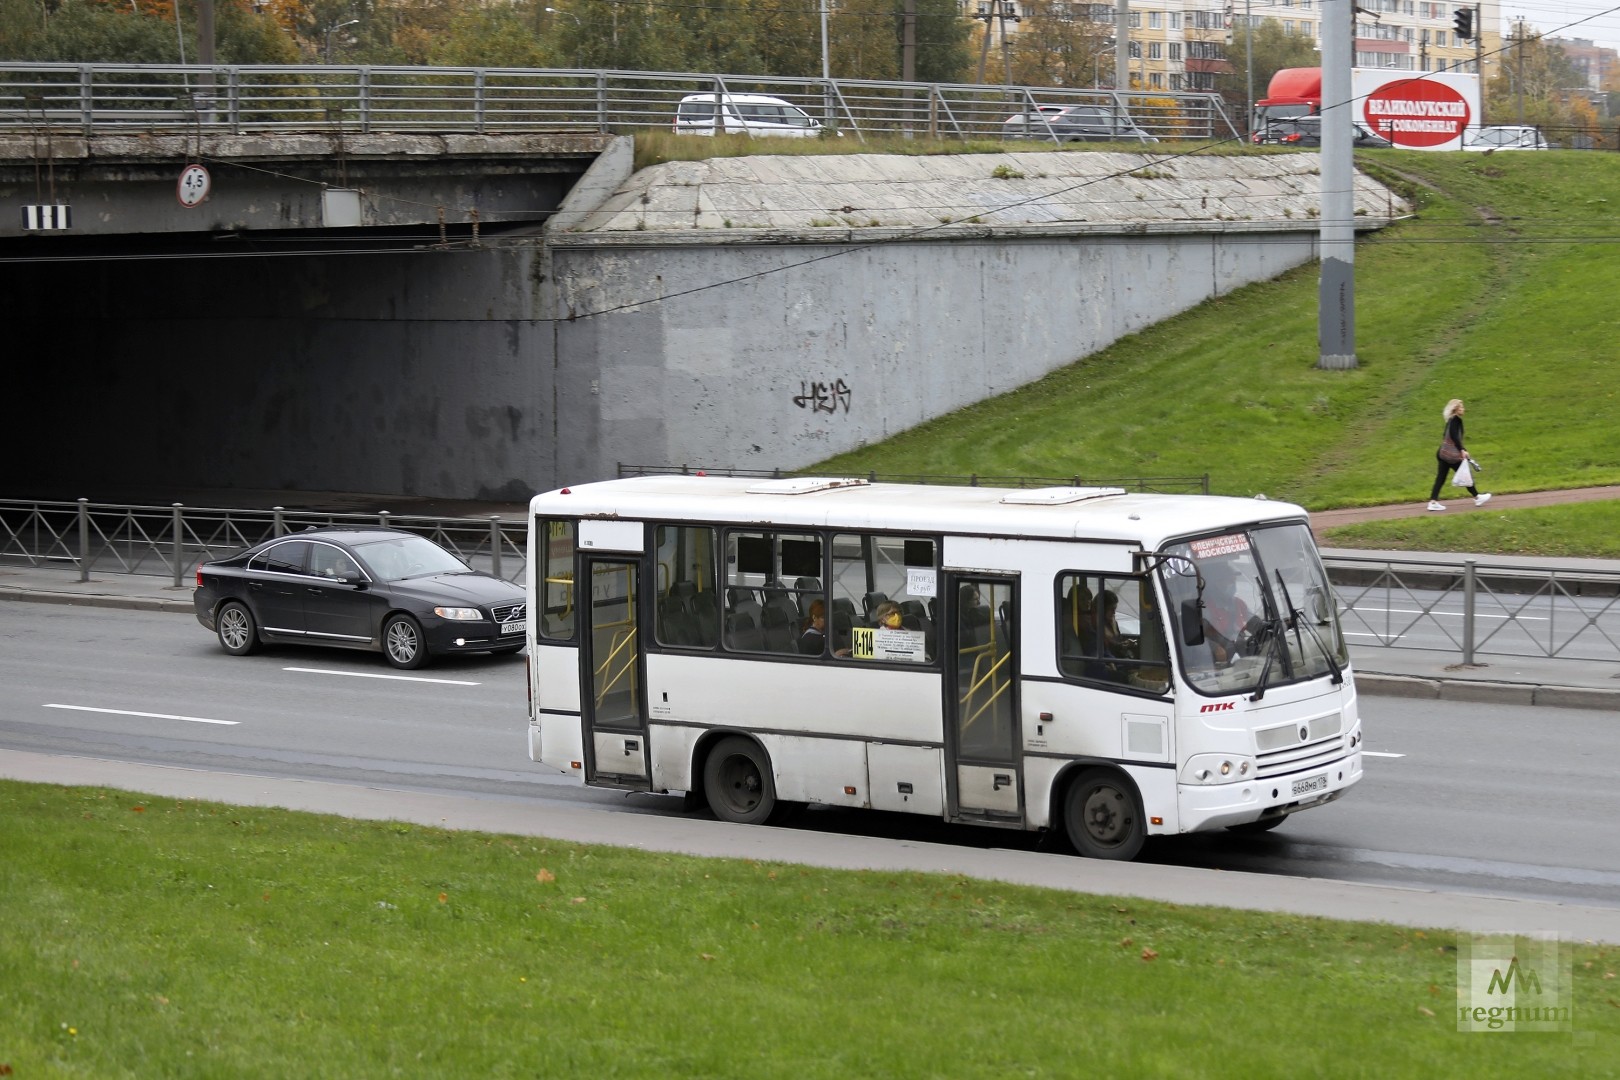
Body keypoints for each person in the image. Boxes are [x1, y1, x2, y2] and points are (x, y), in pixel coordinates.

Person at [1428, 398, 1491, 511]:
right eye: (1461, 407)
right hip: (1451, 456)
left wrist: (1462, 448)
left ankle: (1433, 502)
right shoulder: (1456, 420)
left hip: (1443, 453)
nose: (1464, 409)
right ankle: (1477, 497)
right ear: (1456, 409)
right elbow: (1454, 436)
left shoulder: (1450, 420)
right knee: (1466, 476)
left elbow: (1446, 436)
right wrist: (1462, 450)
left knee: (1440, 478)